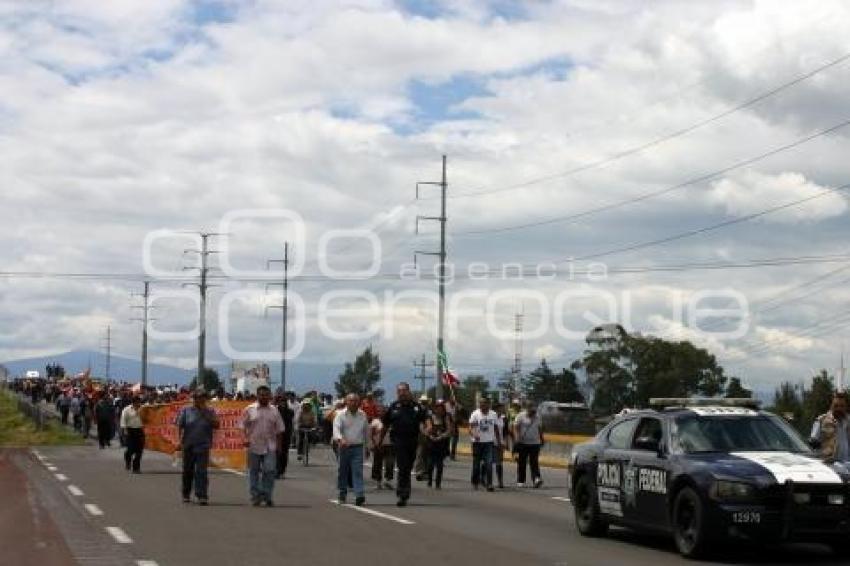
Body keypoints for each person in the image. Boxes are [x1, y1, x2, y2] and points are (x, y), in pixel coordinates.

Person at [379, 382, 429, 506]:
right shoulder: (393, 407)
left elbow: (426, 419)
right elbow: (385, 425)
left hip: (413, 440)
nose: (402, 393)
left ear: (408, 391)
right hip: (398, 440)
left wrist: (428, 428)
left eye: (404, 390)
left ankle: (404, 492)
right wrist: (379, 441)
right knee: (403, 467)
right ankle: (402, 494)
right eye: (399, 391)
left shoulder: (417, 407)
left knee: (407, 467)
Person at [241, 385, 285, 506]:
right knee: (253, 471)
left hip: (270, 446)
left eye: (266, 395)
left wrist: (279, 446)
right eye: (261, 394)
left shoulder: (274, 410)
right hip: (253, 445)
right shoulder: (249, 409)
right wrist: (245, 438)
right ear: (257, 395)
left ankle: (267, 495)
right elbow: (242, 426)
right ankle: (255, 496)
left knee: (270, 471)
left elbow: (280, 429)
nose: (264, 397)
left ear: (269, 396)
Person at [176, 389, 220, 505]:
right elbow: (180, 426)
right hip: (188, 445)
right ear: (193, 399)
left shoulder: (210, 411)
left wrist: (205, 415)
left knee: (201, 471)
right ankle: (186, 493)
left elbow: (217, 425)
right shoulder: (186, 411)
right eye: (197, 397)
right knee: (188, 471)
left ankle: (202, 495)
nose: (199, 400)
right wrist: (179, 441)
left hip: (203, 445)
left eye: (202, 398)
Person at [333, 393, 368, 506]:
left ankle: (359, 495)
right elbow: (336, 429)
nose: (353, 403)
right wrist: (340, 439)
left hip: (358, 446)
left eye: (356, 401)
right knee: (343, 471)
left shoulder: (363, 415)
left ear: (359, 402)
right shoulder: (340, 415)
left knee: (357, 471)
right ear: (346, 402)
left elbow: (366, 432)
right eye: (351, 401)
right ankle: (342, 493)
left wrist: (367, 447)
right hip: (344, 447)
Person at [469, 397, 501, 492]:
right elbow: (470, 427)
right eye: (481, 404)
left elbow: (496, 428)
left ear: (488, 404)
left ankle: (489, 484)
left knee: (489, 463)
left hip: (489, 442)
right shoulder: (475, 414)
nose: (482, 405)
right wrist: (474, 434)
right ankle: (475, 482)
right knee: (476, 464)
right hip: (477, 443)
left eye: (485, 404)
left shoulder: (493, 414)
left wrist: (498, 441)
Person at [811, 392, 850, 464]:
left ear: (846, 407)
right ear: (831, 406)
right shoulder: (821, 420)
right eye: (836, 406)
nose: (839, 408)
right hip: (830, 465)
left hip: (847, 464)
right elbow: (813, 443)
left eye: (842, 406)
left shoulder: (848, 421)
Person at [514, 401, 545, 488]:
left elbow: (540, 429)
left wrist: (542, 439)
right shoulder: (520, 416)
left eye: (534, 410)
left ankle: (536, 479)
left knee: (534, 462)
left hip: (535, 443)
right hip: (523, 443)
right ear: (527, 408)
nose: (533, 412)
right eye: (531, 410)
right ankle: (521, 480)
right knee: (522, 462)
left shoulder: (538, 417)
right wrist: (517, 439)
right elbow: (516, 427)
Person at [427, 400, 452, 489]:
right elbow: (428, 429)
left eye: (441, 408)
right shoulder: (430, 417)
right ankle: (429, 480)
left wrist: (442, 436)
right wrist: (430, 435)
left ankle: (438, 483)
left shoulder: (446, 417)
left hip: (441, 443)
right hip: (431, 443)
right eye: (437, 407)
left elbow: (449, 430)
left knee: (439, 464)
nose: (439, 410)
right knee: (430, 464)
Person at [370, 405, 394, 490]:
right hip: (378, 445)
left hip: (389, 445)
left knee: (390, 463)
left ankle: (387, 481)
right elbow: (371, 435)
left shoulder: (391, 422)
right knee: (377, 464)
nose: (382, 413)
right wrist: (374, 444)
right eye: (380, 411)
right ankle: (378, 482)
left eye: (383, 412)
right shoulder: (375, 421)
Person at [120, 396, 145, 473]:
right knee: (130, 450)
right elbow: (123, 420)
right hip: (130, 430)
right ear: (133, 402)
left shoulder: (143, 409)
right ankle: (128, 461)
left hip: (140, 430)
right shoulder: (127, 409)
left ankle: (136, 468)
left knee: (139, 451)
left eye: (139, 402)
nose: (138, 404)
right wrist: (125, 430)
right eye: (137, 402)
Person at [275, 391, 295, 479]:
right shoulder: (275, 411)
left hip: (286, 434)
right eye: (281, 402)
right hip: (277, 434)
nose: (282, 403)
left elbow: (289, 422)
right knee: (276, 452)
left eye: (284, 402)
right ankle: (277, 470)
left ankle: (282, 471)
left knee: (284, 453)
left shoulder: (290, 411)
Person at [414, 395, 432, 480]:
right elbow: (419, 424)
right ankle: (419, 471)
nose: (424, 404)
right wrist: (425, 432)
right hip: (420, 435)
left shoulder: (429, 411)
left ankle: (425, 471)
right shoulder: (418, 411)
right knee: (420, 453)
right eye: (423, 402)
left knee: (427, 454)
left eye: (425, 402)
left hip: (428, 434)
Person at [493, 402, 509, 489]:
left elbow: (505, 432)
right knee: (488, 462)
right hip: (491, 442)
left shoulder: (504, 419)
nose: (503, 410)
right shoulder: (492, 417)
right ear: (496, 409)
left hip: (500, 443)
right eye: (501, 408)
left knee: (499, 462)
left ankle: (500, 481)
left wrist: (506, 442)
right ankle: (484, 478)